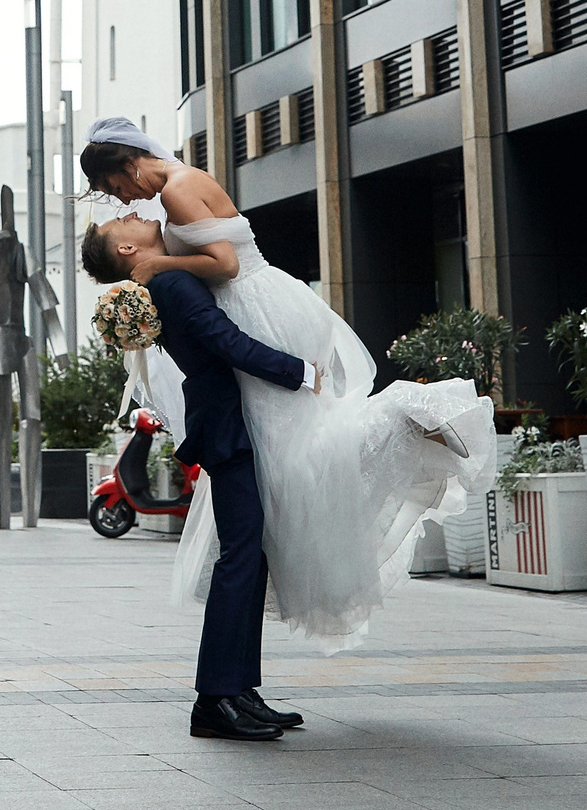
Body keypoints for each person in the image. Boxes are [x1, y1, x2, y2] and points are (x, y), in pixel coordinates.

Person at [79, 116, 497, 650]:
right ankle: (398, 433)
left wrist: (158, 263)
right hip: (267, 306)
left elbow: (225, 265)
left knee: (299, 453)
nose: (125, 200)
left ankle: (409, 415)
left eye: (118, 187)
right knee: (296, 453)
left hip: (259, 310)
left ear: (131, 163)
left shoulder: (179, 192)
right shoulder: (178, 187)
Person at [119, 250, 319, 740]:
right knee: (241, 557)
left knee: (250, 558)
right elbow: (225, 341)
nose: (131, 209)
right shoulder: (172, 284)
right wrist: (300, 372)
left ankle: (239, 691)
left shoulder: (168, 276)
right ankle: (214, 700)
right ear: (124, 248)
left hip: (227, 422)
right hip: (226, 426)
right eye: (120, 214)